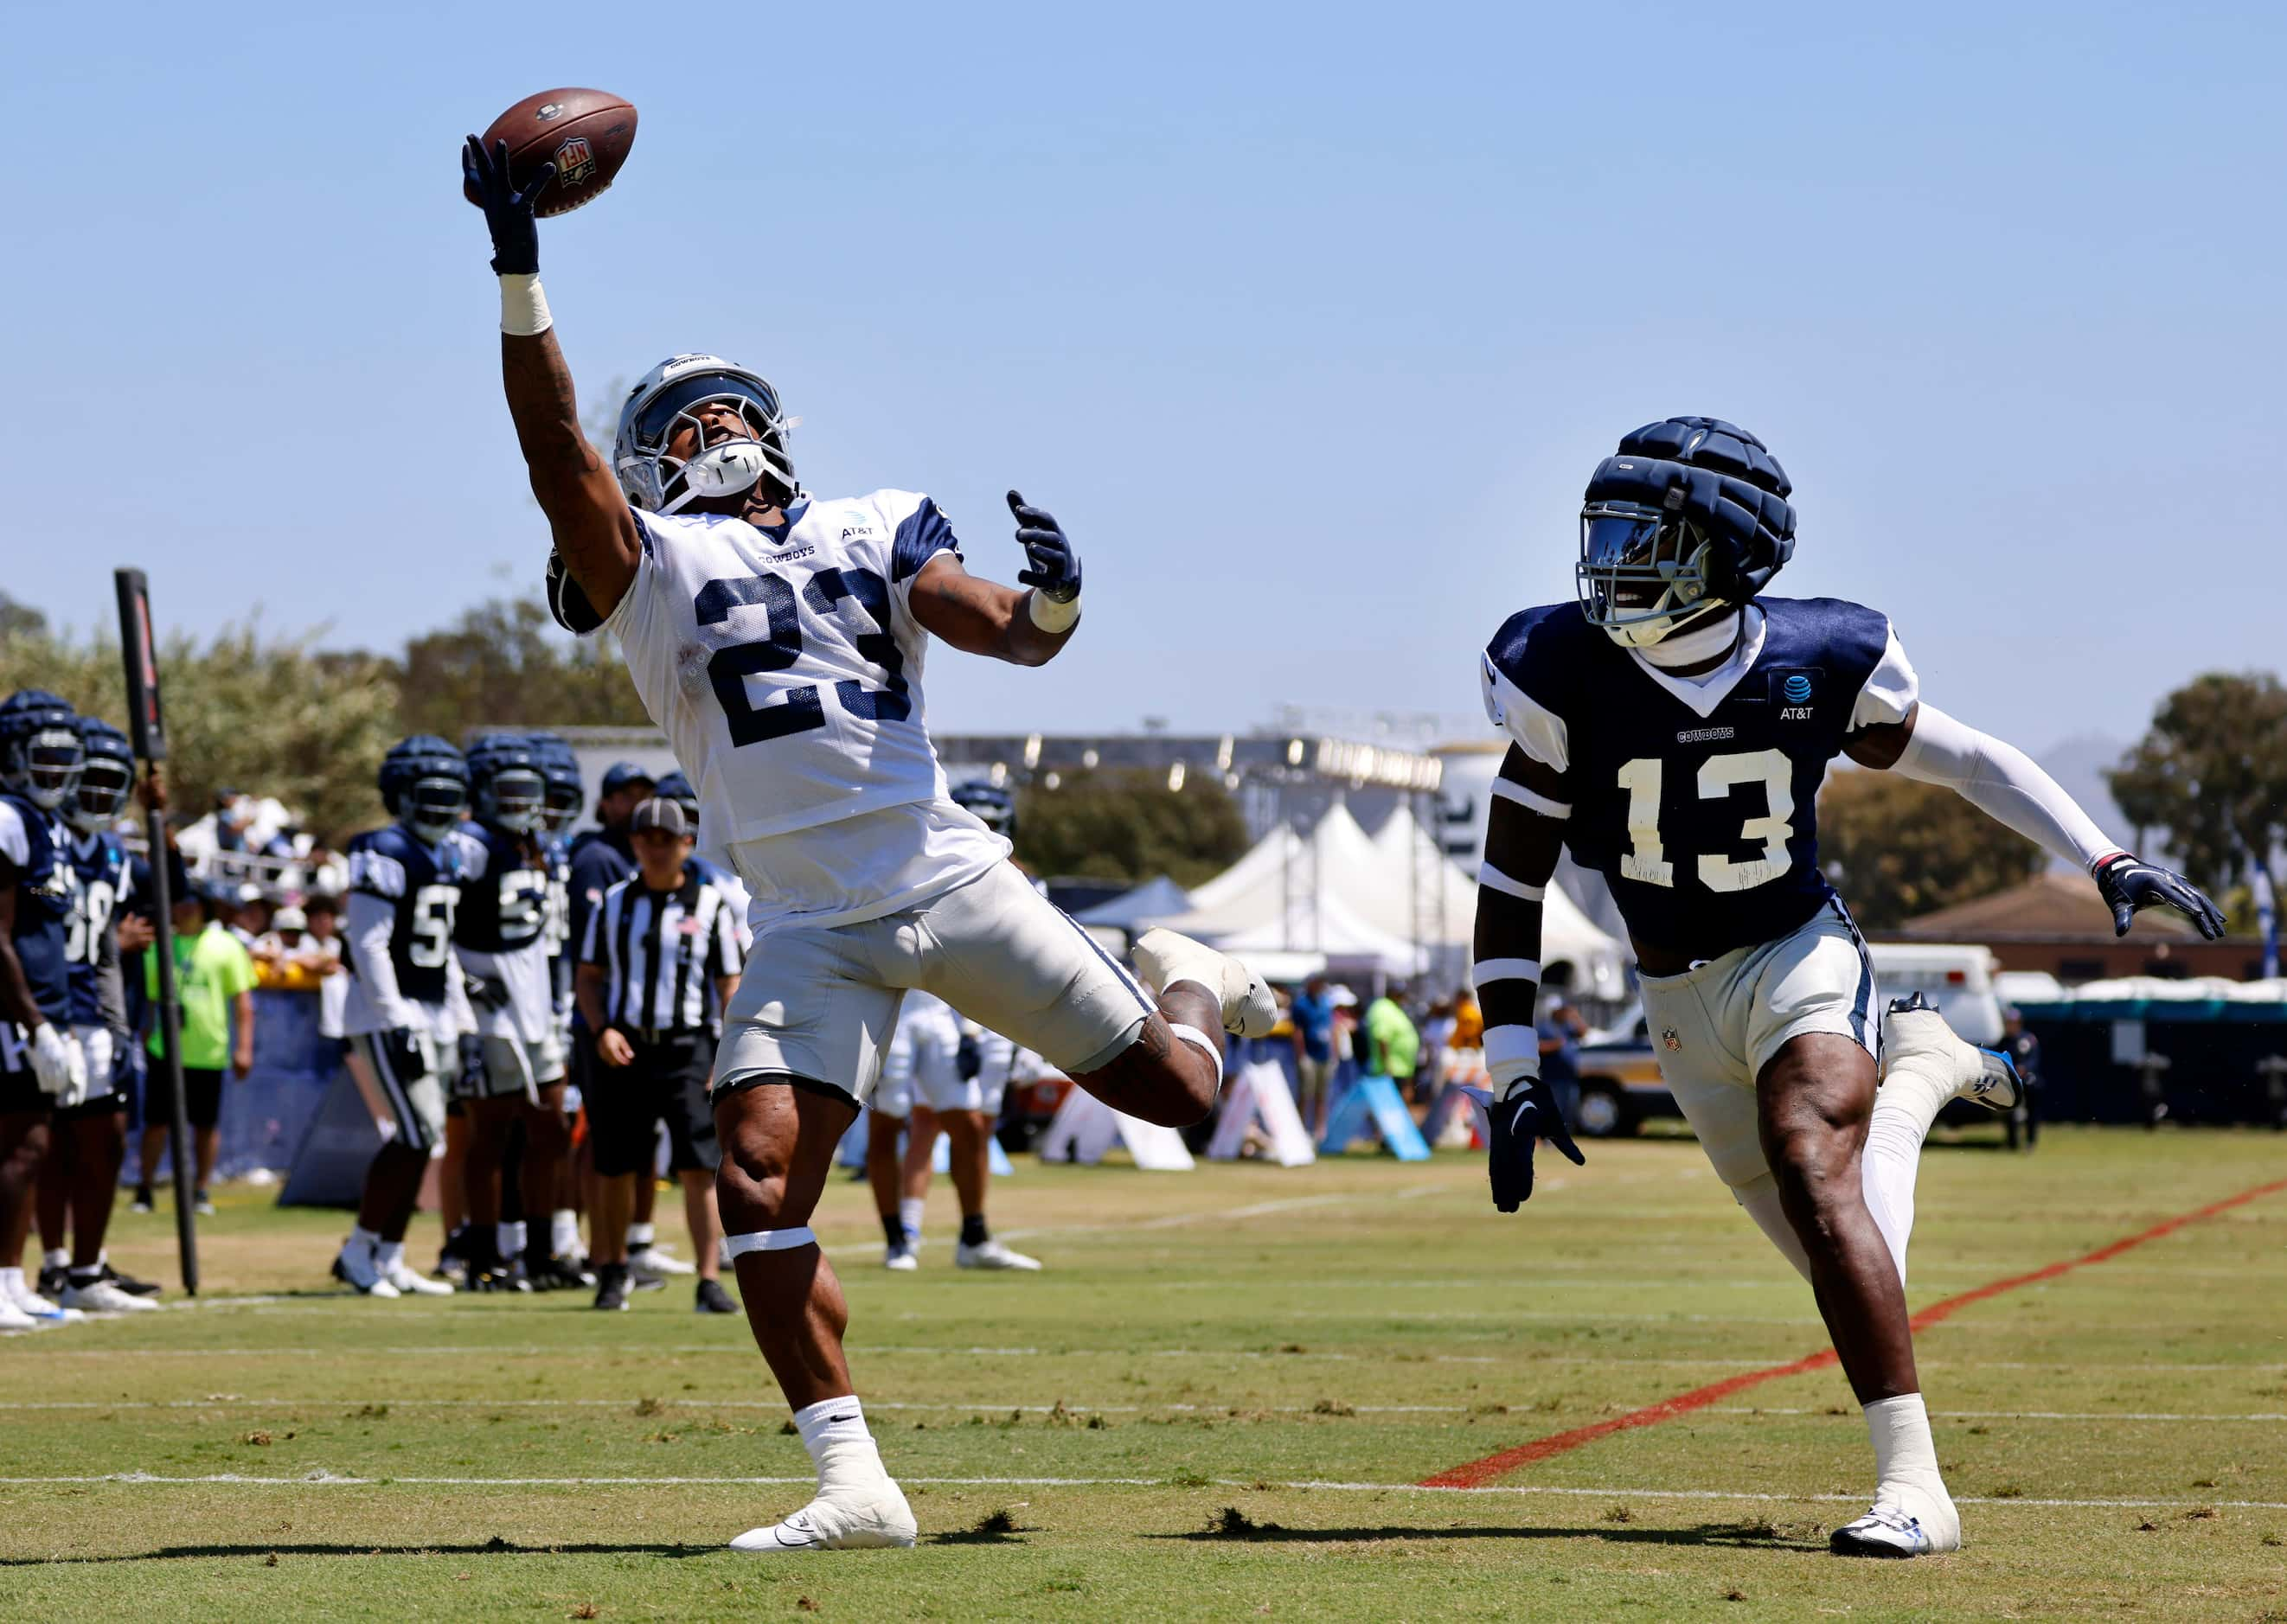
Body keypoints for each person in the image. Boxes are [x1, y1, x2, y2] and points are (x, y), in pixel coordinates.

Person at [464, 138, 1277, 1553]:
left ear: (770, 424)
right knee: (756, 1182)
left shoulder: (870, 520)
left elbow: (990, 622)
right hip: (802, 920)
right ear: (648, 460)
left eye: (727, 402)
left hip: (948, 876)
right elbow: (555, 455)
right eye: (677, 414)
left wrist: (1053, 609)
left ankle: (1191, 975)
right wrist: (519, 263)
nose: (707, 419)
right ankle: (855, 1481)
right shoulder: (648, 571)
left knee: (1176, 1096)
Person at [1471, 415, 2226, 1557]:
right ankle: (1920, 1081)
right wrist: (1511, 1071)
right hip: (1675, 998)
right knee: (1854, 1248)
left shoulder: (1816, 658)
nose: (1609, 558)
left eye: (1642, 536)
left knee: (1820, 1172)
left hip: (1797, 955)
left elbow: (1968, 757)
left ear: (1722, 551)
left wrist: (2102, 854)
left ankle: (1917, 1489)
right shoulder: (1559, 671)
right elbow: (1508, 877)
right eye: (1606, 530)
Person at [574, 796, 743, 1314]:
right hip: (625, 1043)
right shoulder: (615, 903)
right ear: (633, 843)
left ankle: (709, 1278)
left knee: (698, 1166)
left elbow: (729, 985)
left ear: (687, 844)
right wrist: (601, 1030)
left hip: (687, 1045)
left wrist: (725, 1053)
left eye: (665, 840)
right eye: (645, 839)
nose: (655, 848)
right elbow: (589, 977)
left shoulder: (711, 904)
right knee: (616, 1163)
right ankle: (614, 1269)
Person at [330, 736, 471, 1299]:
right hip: (389, 1010)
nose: (438, 809)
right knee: (413, 1133)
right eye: (426, 796)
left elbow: (443, 945)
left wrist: (460, 1018)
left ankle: (387, 1254)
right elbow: (367, 945)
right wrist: (394, 1019)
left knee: (425, 1138)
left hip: (431, 1007)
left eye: (448, 797)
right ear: (400, 797)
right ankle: (358, 1249)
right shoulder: (383, 849)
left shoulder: (448, 853)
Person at [450, 734, 580, 1290]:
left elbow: (553, 939)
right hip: (490, 1013)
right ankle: (484, 1256)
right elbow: (431, 917)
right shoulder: (469, 844)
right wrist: (463, 979)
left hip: (537, 1008)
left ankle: (542, 1254)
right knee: (492, 1136)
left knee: (549, 1132)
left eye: (528, 790)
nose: (520, 801)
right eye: (507, 790)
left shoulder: (543, 847)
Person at [36, 718, 154, 1313]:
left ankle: (86, 1267)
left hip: (98, 1014)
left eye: (114, 783)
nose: (99, 795)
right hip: (48, 1009)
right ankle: (54, 1263)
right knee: (46, 1144)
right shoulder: (45, 838)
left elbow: (170, 898)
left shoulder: (115, 854)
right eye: (91, 780)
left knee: (102, 1140)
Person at [0, 691, 90, 1328]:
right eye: (44, 759)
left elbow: (36, 896)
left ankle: (12, 1277)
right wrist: (34, 1023)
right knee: (20, 1145)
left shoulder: (42, 821)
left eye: (66, 760)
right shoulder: (7, 815)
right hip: (13, 1008)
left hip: (43, 1004)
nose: (56, 773)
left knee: (33, 1143)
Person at [868, 990, 1042, 1272]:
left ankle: (974, 1236)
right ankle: (896, 1238)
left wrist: (969, 1030)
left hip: (939, 1011)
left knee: (970, 1125)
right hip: (890, 1012)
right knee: (886, 1123)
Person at [134, 879, 256, 1217]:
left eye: (191, 904)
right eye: (179, 903)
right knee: (157, 1124)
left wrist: (244, 1047)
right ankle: (144, 1189)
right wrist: (144, 1038)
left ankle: (201, 1190)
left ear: (204, 908)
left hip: (209, 1051)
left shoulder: (226, 945)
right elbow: (148, 1000)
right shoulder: (159, 945)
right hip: (165, 1050)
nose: (184, 910)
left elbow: (243, 1003)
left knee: (205, 1125)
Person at [1288, 975, 1337, 1137]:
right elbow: (1298, 1032)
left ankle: (1319, 1133)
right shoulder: (1301, 1004)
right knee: (1305, 1094)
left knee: (1321, 1096)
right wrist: (1301, 1056)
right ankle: (1300, 1130)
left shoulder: (1326, 1002)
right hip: (1309, 1055)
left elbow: (1332, 1028)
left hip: (1324, 1056)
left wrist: (1334, 1053)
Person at [1361, 982, 1420, 1098]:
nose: (1404, 998)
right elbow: (1382, 1038)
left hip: (1400, 1070)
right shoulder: (1382, 1008)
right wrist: (1387, 1067)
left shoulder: (1394, 1007)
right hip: (1388, 1071)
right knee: (1387, 1108)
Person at [1998, 1007, 2042, 1152]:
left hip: (2028, 1080)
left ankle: (2030, 1141)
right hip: (2011, 1082)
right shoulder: (2004, 1041)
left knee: (2031, 1112)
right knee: (2009, 1113)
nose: (2010, 1025)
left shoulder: (2028, 1039)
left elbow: (2034, 1059)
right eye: (2008, 1022)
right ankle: (2012, 1143)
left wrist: (2024, 1068)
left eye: (2013, 1022)